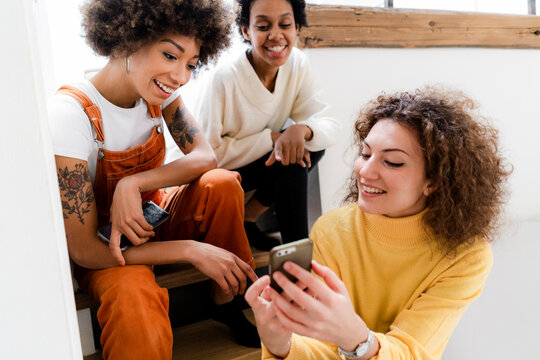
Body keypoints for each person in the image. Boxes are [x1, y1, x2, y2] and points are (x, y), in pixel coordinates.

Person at [48, 0, 261, 358]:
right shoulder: (70, 115)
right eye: (169, 55)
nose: (180, 76)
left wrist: (134, 184)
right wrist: (190, 250)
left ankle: (227, 297)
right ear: (129, 39)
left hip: (152, 219)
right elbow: (84, 250)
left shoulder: (161, 94)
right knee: (133, 293)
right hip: (106, 249)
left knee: (222, 183)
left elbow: (205, 157)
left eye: (191, 64)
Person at [246, 87, 511, 359]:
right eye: (365, 153)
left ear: (433, 181)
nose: (366, 171)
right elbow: (320, 350)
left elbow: (412, 351)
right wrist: (280, 346)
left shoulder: (466, 256)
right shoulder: (332, 229)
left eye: (393, 162)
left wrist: (354, 338)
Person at [195, 0, 341, 250]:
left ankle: (252, 220)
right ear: (245, 31)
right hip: (211, 179)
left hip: (257, 167)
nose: (276, 35)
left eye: (285, 24)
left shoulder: (297, 63)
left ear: (297, 28)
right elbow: (207, 157)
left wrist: (301, 129)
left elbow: (329, 125)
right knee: (290, 155)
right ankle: (297, 263)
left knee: (308, 145)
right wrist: (273, 138)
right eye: (263, 26)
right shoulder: (224, 78)